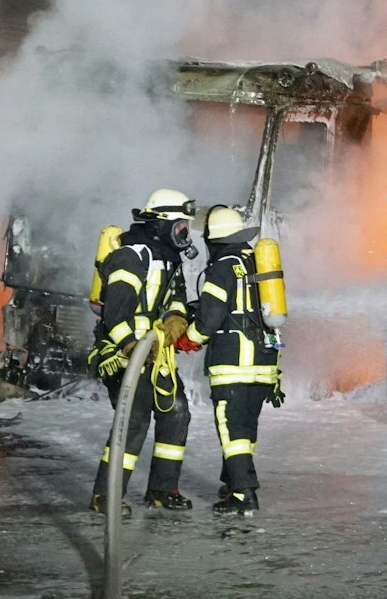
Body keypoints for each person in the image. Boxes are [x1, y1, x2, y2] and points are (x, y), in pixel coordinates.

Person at [86, 188, 198, 514]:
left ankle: (163, 490)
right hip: (122, 354)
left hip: (154, 353)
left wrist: (176, 317)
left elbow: (176, 294)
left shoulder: (167, 258)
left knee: (176, 413)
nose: (184, 235)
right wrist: (132, 346)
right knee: (132, 421)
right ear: (161, 223)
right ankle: (105, 496)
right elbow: (115, 316)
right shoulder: (129, 257)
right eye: (180, 227)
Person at [188, 205, 282, 516]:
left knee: (231, 431)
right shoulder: (255, 261)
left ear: (213, 240)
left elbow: (211, 317)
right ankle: (232, 482)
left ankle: (244, 494)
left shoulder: (222, 266)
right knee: (245, 430)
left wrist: (190, 337)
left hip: (233, 365)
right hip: (263, 365)